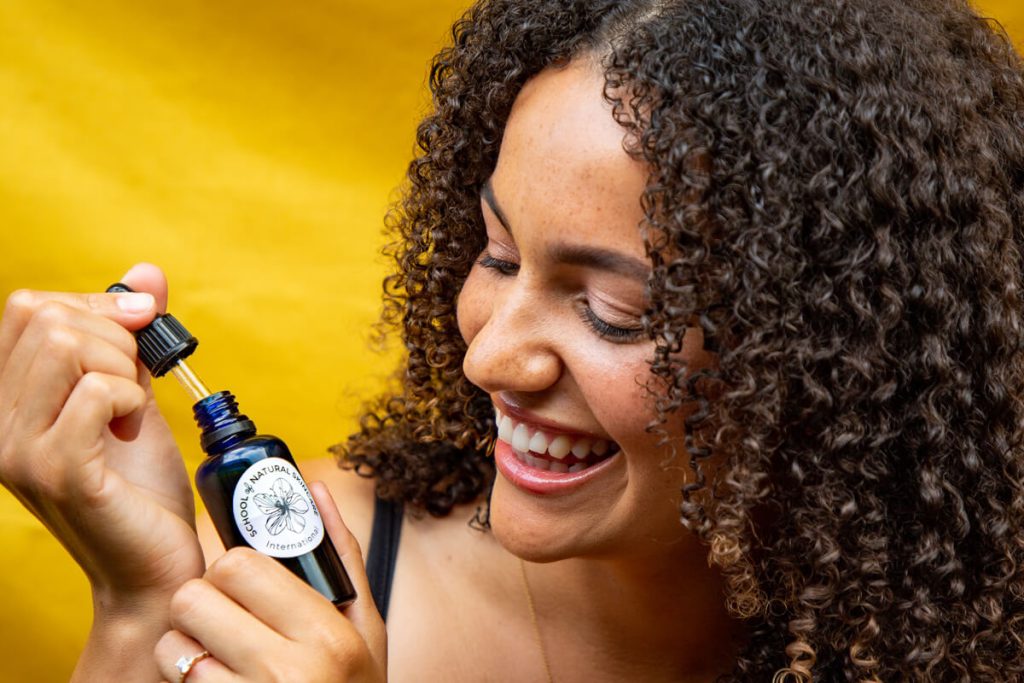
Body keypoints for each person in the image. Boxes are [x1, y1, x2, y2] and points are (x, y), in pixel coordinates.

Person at [3, 0, 1024, 680]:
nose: (491, 359)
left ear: (834, 349)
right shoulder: (287, 583)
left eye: (613, 310)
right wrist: (141, 602)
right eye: (495, 255)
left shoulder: (946, 629)